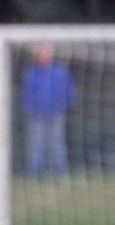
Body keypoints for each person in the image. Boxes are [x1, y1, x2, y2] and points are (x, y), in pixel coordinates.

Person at [20, 43, 76, 178]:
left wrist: (64, 107)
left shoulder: (60, 71)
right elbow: (25, 94)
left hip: (57, 114)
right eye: (42, 54)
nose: (45, 57)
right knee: (35, 145)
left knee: (57, 145)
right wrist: (30, 109)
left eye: (47, 53)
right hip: (36, 116)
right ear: (37, 56)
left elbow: (70, 91)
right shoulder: (31, 72)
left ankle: (59, 174)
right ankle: (33, 175)